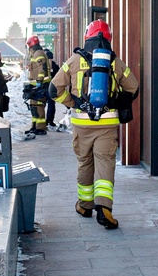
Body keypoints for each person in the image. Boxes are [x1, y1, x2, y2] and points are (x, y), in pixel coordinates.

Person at [49, 19, 139, 230]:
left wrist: (75, 102)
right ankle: (104, 208)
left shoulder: (73, 60)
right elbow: (133, 88)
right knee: (105, 163)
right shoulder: (114, 62)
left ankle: (84, 205)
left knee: (85, 163)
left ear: (87, 36)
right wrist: (114, 102)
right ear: (108, 37)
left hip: (81, 124)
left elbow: (54, 90)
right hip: (107, 124)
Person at [24, 35, 51, 136]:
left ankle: (40, 127)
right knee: (34, 106)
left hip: (41, 85)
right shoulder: (35, 53)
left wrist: (39, 81)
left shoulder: (38, 53)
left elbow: (42, 68)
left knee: (39, 105)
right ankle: (35, 126)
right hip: (35, 85)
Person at [44, 48, 58, 129]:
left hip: (48, 87)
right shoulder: (54, 66)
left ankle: (49, 120)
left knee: (50, 105)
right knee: (50, 105)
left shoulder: (45, 66)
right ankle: (49, 120)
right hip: (50, 88)